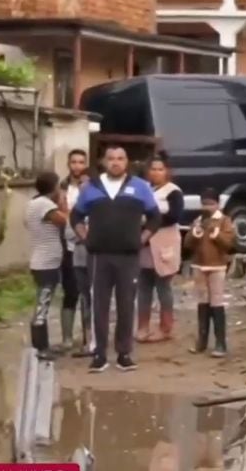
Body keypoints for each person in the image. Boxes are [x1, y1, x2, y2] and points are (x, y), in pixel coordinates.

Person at [71, 145, 162, 373]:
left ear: (127, 161)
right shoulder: (91, 187)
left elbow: (154, 217)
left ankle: (123, 354)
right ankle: (99, 354)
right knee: (99, 305)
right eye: (111, 158)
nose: (116, 162)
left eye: (120, 158)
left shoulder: (140, 187)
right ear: (104, 161)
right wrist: (86, 238)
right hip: (99, 256)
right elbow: (75, 216)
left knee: (126, 305)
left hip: (128, 257)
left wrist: (141, 239)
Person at [137, 156, 184, 343]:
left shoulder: (173, 192)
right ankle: (143, 326)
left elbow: (174, 215)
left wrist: (151, 222)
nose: (156, 173)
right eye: (153, 169)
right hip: (144, 243)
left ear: (167, 171)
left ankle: (166, 328)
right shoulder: (144, 190)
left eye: (160, 169)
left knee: (163, 286)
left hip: (164, 242)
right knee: (143, 287)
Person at [184, 188, 236, 357]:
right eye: (205, 204)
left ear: (218, 204)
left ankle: (221, 343)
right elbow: (187, 244)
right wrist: (195, 234)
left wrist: (217, 236)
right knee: (202, 302)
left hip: (217, 266)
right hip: (199, 266)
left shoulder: (224, 221)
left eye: (211, 204)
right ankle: (202, 341)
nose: (207, 207)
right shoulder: (198, 220)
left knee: (217, 302)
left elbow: (229, 244)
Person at [25, 171, 68, 359]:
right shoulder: (45, 205)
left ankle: (42, 345)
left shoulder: (33, 203)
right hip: (46, 263)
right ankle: (41, 348)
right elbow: (65, 221)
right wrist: (63, 203)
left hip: (43, 260)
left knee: (44, 302)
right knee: (43, 305)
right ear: (53, 187)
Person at [62, 149, 94, 357]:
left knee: (89, 295)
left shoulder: (92, 189)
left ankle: (89, 338)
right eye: (73, 162)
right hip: (67, 246)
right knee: (70, 292)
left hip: (89, 247)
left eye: (81, 162)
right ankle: (66, 338)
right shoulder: (62, 188)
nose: (77, 166)